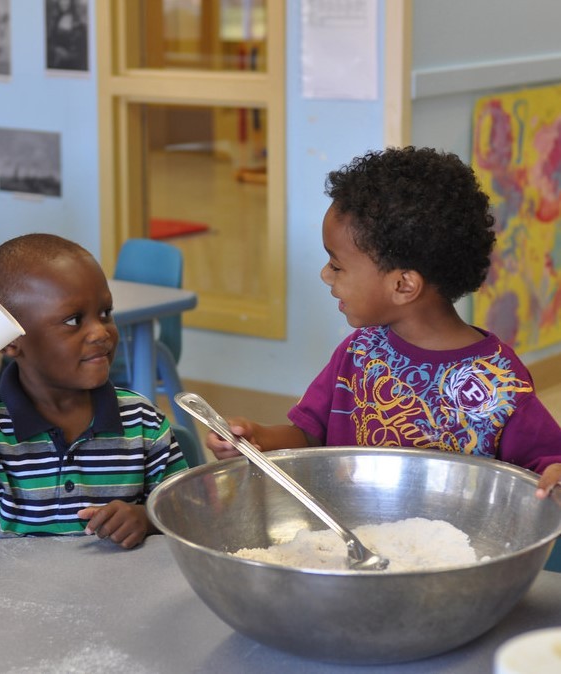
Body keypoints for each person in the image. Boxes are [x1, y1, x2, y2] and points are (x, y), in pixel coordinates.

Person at [207, 146, 561, 498]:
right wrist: (258, 438)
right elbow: (310, 435)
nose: (325, 275)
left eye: (338, 266)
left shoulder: (499, 380)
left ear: (403, 285)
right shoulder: (360, 352)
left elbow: (547, 464)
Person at [0, 233, 188, 545]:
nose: (101, 332)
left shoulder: (142, 421)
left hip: (114, 591)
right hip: (11, 591)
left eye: (105, 313)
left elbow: (187, 512)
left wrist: (145, 519)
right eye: (75, 320)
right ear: (11, 342)